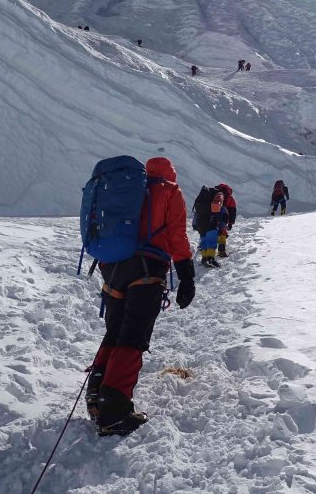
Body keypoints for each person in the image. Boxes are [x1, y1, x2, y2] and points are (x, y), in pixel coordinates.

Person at [86, 157, 196, 436]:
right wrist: (186, 275)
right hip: (147, 270)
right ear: (171, 173)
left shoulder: (132, 189)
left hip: (113, 268)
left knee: (115, 331)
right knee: (133, 336)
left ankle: (96, 396)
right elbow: (176, 235)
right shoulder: (170, 190)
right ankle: (114, 411)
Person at [215, 183, 237, 257]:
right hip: (223, 218)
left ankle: (205, 251)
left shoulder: (214, 194)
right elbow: (232, 211)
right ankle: (221, 251)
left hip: (212, 217)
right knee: (223, 233)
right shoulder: (230, 198)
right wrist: (231, 223)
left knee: (210, 232)